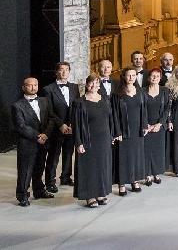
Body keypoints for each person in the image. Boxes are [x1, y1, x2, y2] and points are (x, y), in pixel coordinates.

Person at [72, 74, 117, 208]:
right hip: (87, 140)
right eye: (91, 83)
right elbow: (76, 125)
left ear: (99, 85)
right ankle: (89, 195)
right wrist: (79, 142)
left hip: (103, 139)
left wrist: (112, 135)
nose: (93, 86)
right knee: (89, 168)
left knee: (102, 167)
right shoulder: (79, 102)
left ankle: (101, 193)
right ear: (86, 85)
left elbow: (111, 119)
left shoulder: (105, 99)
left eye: (96, 83)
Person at [12, 77, 56, 206]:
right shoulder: (17, 106)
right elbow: (21, 126)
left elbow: (51, 119)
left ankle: (39, 190)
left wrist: (46, 135)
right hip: (28, 143)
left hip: (43, 142)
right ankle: (22, 195)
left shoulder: (45, 101)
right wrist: (38, 136)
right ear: (23, 88)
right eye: (29, 85)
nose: (33, 87)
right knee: (25, 170)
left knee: (39, 168)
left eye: (35, 85)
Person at [42, 61, 79, 191]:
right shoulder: (48, 89)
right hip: (56, 128)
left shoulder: (74, 87)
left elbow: (76, 108)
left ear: (69, 72)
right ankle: (50, 181)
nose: (64, 72)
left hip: (71, 127)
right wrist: (61, 125)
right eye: (61, 70)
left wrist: (72, 124)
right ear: (56, 72)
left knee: (69, 153)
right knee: (53, 155)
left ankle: (66, 177)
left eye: (67, 70)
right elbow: (49, 111)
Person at [112, 67, 147, 195]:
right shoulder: (117, 94)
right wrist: (117, 132)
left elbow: (144, 110)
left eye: (134, 75)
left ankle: (134, 180)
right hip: (124, 130)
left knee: (136, 156)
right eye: (129, 75)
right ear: (124, 77)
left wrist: (144, 125)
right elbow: (114, 114)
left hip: (137, 129)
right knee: (123, 157)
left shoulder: (140, 92)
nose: (131, 77)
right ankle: (122, 183)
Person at [142, 69, 169, 185]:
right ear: (148, 78)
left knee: (158, 150)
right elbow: (141, 109)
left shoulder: (165, 91)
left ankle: (156, 173)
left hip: (159, 126)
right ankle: (147, 175)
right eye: (152, 76)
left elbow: (167, 108)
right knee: (146, 151)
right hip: (146, 126)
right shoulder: (142, 91)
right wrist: (145, 124)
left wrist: (160, 124)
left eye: (157, 76)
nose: (155, 78)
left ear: (160, 78)